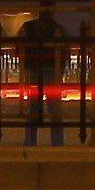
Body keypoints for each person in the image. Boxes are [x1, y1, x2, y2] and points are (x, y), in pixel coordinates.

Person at [18, 8, 66, 147]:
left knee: (33, 108)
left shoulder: (29, 27)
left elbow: (20, 46)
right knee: (55, 109)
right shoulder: (57, 28)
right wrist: (60, 71)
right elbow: (63, 53)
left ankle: (30, 142)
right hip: (52, 69)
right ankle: (57, 143)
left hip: (34, 69)